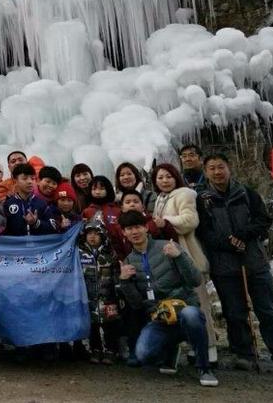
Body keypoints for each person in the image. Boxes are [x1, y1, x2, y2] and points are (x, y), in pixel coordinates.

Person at [197, 153, 273, 378]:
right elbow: (204, 232)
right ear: (206, 172)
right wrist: (227, 242)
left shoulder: (247, 193)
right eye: (212, 168)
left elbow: (263, 220)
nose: (217, 172)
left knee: (268, 311)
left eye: (221, 167)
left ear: (229, 168)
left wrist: (244, 235)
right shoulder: (203, 200)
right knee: (234, 312)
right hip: (224, 265)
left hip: (254, 261)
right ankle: (243, 354)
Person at [117, 210, 219, 388]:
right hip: (160, 317)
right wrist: (124, 282)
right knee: (143, 354)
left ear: (147, 227)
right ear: (124, 233)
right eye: (129, 228)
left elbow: (196, 280)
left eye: (138, 227)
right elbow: (137, 304)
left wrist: (179, 257)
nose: (134, 232)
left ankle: (204, 368)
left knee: (191, 316)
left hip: (185, 308)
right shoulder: (128, 261)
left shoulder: (168, 246)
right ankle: (171, 349)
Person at [152, 162, 217, 364]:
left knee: (198, 302)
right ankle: (186, 344)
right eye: (160, 177)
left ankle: (209, 347)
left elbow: (190, 220)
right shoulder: (160, 198)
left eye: (168, 176)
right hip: (168, 258)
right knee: (175, 304)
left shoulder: (185, 194)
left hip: (186, 254)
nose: (164, 180)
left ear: (176, 177)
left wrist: (167, 222)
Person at [79, 219, 122, 364]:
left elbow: (117, 274)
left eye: (96, 234)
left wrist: (118, 292)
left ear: (103, 235)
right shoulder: (80, 253)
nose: (92, 237)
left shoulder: (110, 253)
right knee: (93, 325)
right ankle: (95, 349)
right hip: (88, 297)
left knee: (110, 325)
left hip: (108, 297)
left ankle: (111, 350)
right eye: (89, 233)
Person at [107, 191, 178, 260]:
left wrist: (165, 226)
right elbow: (117, 249)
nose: (132, 204)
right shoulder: (117, 227)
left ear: (143, 207)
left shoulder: (154, 222)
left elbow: (172, 240)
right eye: (128, 202)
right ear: (122, 208)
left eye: (136, 202)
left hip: (158, 260)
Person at [2, 163, 58, 236]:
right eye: (25, 178)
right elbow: (2, 231)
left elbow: (54, 228)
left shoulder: (42, 204)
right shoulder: (8, 204)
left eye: (32, 178)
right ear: (15, 181)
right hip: (15, 247)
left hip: (38, 247)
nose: (30, 182)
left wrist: (36, 223)